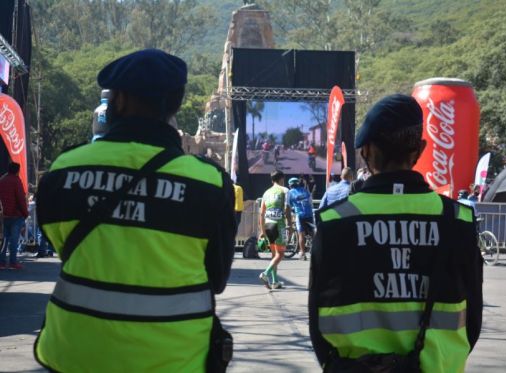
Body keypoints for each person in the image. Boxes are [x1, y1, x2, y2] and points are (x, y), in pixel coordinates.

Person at [34, 49, 236, 372]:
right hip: (176, 361)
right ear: (176, 103)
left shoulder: (64, 171)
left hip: (75, 356)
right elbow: (217, 277)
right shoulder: (210, 184)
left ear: (120, 101)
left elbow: (60, 244)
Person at [309, 94, 483, 372]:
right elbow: (472, 320)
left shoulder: (333, 224)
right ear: (420, 150)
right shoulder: (457, 221)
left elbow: (317, 325)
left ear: (365, 151)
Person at [258, 170, 292, 289]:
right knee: (280, 254)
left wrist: (262, 230)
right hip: (279, 224)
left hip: (268, 224)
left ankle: (275, 281)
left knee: (274, 254)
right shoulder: (285, 190)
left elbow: (261, 213)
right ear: (282, 179)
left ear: (272, 180)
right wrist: (291, 226)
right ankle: (265, 274)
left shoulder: (266, 193)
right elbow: (287, 209)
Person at [0, 162, 28, 270]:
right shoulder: (16, 181)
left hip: (4, 215)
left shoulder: (2, 180)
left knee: (4, 240)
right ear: (17, 170)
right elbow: (21, 199)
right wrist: (25, 213)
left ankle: (1, 262)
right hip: (16, 215)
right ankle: (13, 262)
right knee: (14, 240)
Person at [287, 177, 314, 260]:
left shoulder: (290, 192)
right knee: (312, 233)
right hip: (309, 213)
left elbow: (288, 205)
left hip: (299, 214)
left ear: (290, 185)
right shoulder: (305, 190)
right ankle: (317, 251)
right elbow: (310, 201)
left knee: (301, 234)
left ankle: (302, 253)